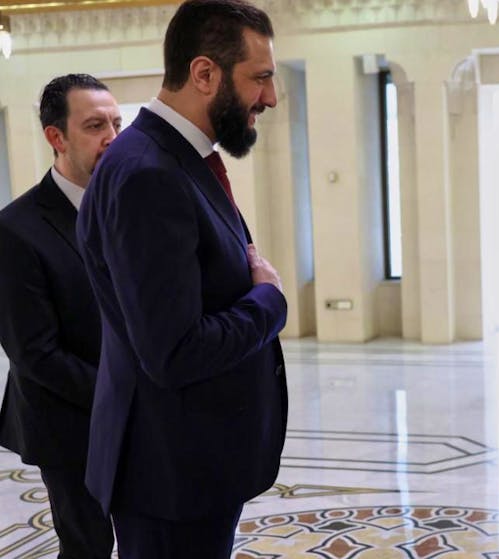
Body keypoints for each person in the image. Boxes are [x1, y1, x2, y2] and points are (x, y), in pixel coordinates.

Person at [75, 1, 287, 556]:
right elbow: (174, 351)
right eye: (260, 78)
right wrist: (268, 301)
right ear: (204, 74)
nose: (270, 97)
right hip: (170, 478)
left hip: (187, 465)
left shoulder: (171, 159)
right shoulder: (148, 174)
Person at [0, 73, 119, 559]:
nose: (112, 137)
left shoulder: (130, 208)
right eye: (94, 126)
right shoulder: (15, 229)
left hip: (139, 414)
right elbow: (35, 354)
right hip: (67, 421)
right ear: (56, 137)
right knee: (88, 546)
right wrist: (122, 397)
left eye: (116, 123)